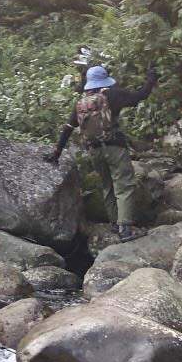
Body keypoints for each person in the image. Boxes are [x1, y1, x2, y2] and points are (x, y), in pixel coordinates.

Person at [48, 64, 158, 242]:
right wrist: (151, 79)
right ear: (104, 81)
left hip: (93, 150)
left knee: (107, 185)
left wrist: (57, 152)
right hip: (114, 147)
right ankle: (125, 228)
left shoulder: (82, 104)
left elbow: (68, 128)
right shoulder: (112, 95)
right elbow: (140, 96)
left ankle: (114, 223)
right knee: (124, 185)